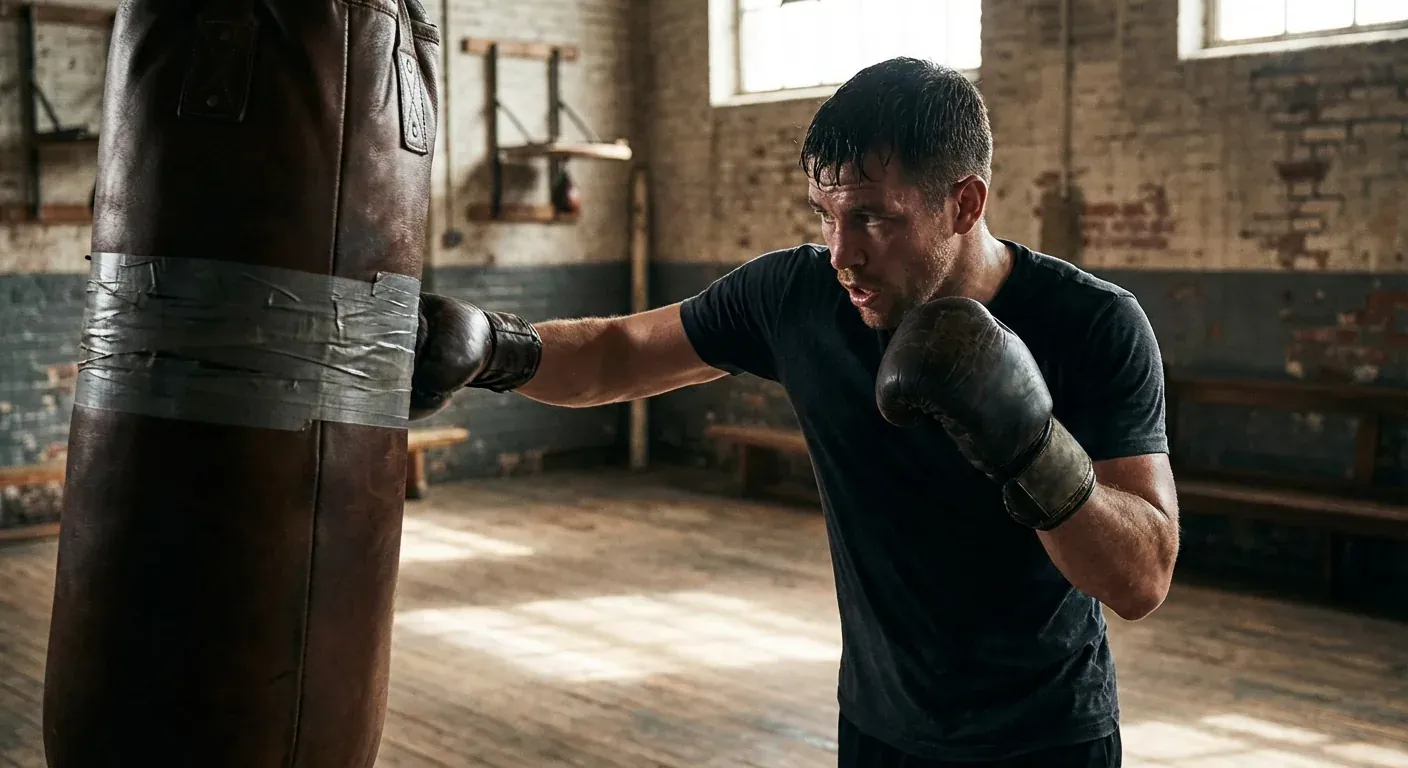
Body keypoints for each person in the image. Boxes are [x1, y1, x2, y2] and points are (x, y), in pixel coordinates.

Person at [409, 57, 1179, 768]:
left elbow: (1142, 579)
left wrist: (1033, 448)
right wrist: (494, 349)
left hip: (1046, 738)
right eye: (824, 214)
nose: (842, 252)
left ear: (965, 202)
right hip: (877, 728)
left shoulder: (1093, 324)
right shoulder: (799, 299)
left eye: (873, 218)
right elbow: (620, 352)